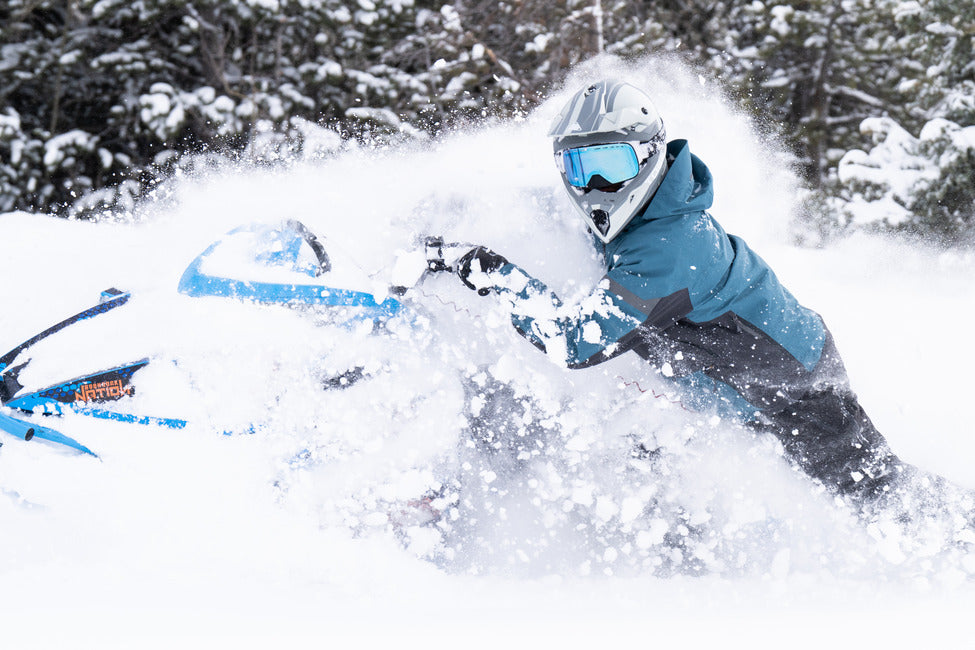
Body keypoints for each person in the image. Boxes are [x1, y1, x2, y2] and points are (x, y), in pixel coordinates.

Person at [450, 79, 942, 516]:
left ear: (647, 156)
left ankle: (954, 540)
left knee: (882, 498)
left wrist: (487, 269)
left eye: (610, 163)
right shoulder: (645, 215)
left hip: (794, 391)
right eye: (579, 167)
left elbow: (574, 343)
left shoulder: (669, 248)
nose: (595, 185)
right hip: (724, 386)